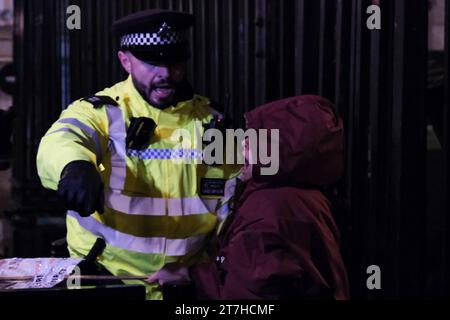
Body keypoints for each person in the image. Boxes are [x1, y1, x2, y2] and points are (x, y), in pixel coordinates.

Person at [36, 9, 238, 299]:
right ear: (125, 60)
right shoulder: (102, 112)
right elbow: (62, 138)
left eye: (175, 62)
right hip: (107, 282)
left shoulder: (215, 121)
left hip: (187, 286)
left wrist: (212, 271)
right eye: (152, 62)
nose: (166, 74)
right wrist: (73, 166)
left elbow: (233, 201)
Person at [149, 95, 350, 299]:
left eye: (257, 139)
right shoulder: (304, 197)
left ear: (283, 151)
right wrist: (193, 275)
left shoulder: (271, 211)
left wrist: (192, 285)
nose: (243, 143)